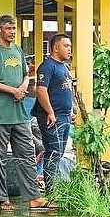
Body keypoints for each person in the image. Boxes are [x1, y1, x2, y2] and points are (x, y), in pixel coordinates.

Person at [0, 15, 51, 211]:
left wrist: (24, 86)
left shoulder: (18, 50)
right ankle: (2, 199)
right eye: (9, 28)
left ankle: (33, 197)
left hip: (19, 114)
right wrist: (13, 91)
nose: (12, 32)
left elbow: (26, 74)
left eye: (14, 28)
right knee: (0, 157)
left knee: (27, 154)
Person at [33, 33, 76, 193]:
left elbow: (67, 90)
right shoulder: (47, 66)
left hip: (65, 117)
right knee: (53, 153)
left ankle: (55, 189)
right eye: (66, 46)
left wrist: (71, 110)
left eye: (70, 46)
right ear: (56, 48)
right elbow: (41, 90)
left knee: (59, 154)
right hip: (53, 118)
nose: (69, 49)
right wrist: (50, 112)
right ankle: (51, 192)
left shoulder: (64, 67)